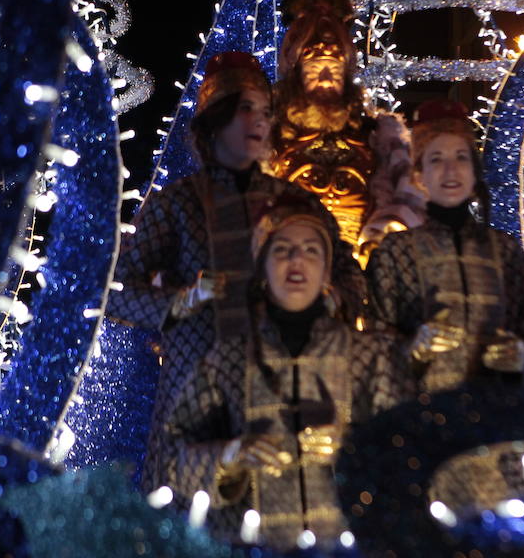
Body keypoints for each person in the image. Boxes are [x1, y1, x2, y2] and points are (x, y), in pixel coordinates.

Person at [109, 52, 364, 490]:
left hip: (281, 386)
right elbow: (115, 291)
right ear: (215, 119)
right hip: (195, 388)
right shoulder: (177, 203)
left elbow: (351, 275)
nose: (259, 121)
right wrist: (182, 301)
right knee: (190, 520)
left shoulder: (297, 203)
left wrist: (330, 296)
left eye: (265, 111)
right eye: (245, 108)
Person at [161, 195, 409, 549]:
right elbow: (174, 453)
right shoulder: (228, 359)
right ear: (262, 267)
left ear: (326, 272)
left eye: (311, 250)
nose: (297, 260)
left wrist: (349, 449)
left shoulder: (369, 356)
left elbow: (405, 448)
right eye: (283, 249)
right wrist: (230, 456)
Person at [366, 99, 524, 391]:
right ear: (419, 175)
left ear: (474, 171)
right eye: (436, 158)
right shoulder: (395, 252)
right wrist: (413, 350)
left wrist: (522, 358)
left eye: (461, 157)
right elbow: (374, 346)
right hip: (424, 421)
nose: (450, 170)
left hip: (496, 418)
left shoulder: (506, 252)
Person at [266, 0, 422, 264]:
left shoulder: (379, 138)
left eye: (335, 64)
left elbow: (411, 199)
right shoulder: (269, 137)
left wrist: (381, 240)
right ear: (296, 67)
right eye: (315, 63)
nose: (326, 75)